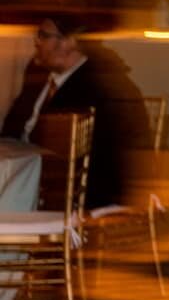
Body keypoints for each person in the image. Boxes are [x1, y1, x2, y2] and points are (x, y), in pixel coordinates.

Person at [3, 13, 140, 209]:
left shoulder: (93, 87)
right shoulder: (38, 73)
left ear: (69, 42)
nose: (36, 42)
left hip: (64, 188)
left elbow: (68, 151)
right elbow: (12, 124)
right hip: (24, 169)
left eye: (43, 35)